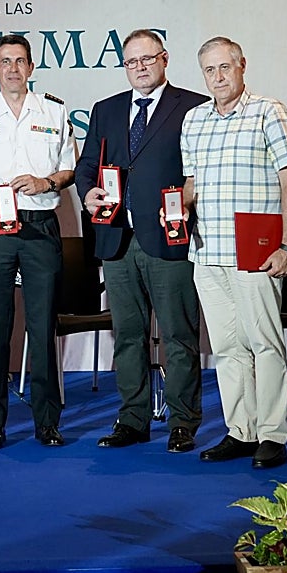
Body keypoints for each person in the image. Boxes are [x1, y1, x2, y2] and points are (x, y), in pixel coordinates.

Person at [76, 29, 207, 452]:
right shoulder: (106, 109)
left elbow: (200, 169)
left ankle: (182, 422)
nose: (140, 68)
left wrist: (188, 196)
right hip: (116, 238)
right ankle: (132, 418)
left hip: (169, 236)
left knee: (178, 335)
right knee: (128, 335)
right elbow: (86, 168)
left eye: (147, 59)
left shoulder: (193, 107)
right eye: (131, 62)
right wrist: (88, 192)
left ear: (165, 59)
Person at [179, 36, 287, 469]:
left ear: (242, 65)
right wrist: (174, 210)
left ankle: (272, 434)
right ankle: (241, 431)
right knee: (228, 348)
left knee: (264, 344)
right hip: (206, 250)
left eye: (225, 68)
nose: (218, 77)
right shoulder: (193, 120)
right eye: (210, 70)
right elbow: (190, 186)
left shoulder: (271, 111)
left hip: (257, 252)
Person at [0, 34, 77, 450]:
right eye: (5, 61)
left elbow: (69, 170)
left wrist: (45, 181)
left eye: (20, 61)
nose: (12, 68)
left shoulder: (56, 111)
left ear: (31, 68)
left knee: (43, 325)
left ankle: (47, 421)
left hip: (41, 226)